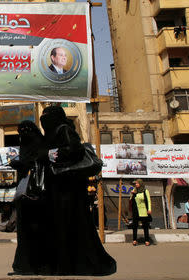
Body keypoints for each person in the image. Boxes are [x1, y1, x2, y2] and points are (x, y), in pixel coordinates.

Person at [39, 105, 116, 275]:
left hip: (69, 188)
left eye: (47, 116)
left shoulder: (64, 129)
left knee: (70, 223)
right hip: (56, 187)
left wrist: (54, 154)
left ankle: (74, 264)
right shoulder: (52, 133)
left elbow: (75, 149)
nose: (44, 119)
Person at [9, 120, 50, 275]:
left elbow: (36, 163)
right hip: (28, 195)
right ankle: (26, 266)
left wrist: (20, 165)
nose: (23, 135)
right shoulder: (35, 142)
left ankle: (32, 266)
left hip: (35, 195)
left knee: (34, 232)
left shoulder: (37, 144)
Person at [130, 179, 152, 246]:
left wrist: (149, 209)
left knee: (145, 226)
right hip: (136, 211)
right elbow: (131, 200)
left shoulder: (145, 191)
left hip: (144, 211)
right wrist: (132, 194)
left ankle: (147, 240)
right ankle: (134, 240)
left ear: (140, 184)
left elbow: (148, 201)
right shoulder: (135, 191)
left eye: (137, 183)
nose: (136, 184)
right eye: (135, 184)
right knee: (135, 226)